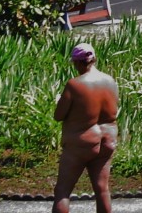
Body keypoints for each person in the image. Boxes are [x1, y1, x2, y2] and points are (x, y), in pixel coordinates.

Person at [53, 43, 119, 213]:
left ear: (77, 62)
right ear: (94, 59)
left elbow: (58, 115)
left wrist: (58, 101)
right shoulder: (110, 81)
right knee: (102, 190)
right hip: (107, 139)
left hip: (81, 141)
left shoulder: (74, 85)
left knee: (62, 191)